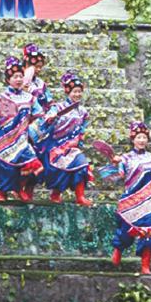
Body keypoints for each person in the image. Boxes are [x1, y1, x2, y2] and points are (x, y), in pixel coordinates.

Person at [110, 122, 151, 275]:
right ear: (133, 139)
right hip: (131, 200)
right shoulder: (125, 158)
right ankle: (118, 250)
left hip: (150, 202)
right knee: (126, 229)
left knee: (150, 231)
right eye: (138, 137)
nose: (141, 140)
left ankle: (145, 266)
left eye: (144, 137)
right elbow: (117, 177)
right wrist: (115, 163)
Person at [0, 57, 45, 202]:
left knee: (34, 164)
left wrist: (39, 124)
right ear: (8, 80)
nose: (18, 80)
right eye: (15, 77)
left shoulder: (29, 98)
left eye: (20, 76)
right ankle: (2, 192)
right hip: (5, 137)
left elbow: (39, 114)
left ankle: (20, 187)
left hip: (22, 137)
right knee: (3, 166)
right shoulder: (1, 97)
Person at [38, 71, 94, 206]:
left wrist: (78, 139)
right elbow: (44, 124)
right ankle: (56, 193)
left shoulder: (83, 112)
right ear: (68, 92)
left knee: (82, 164)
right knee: (59, 166)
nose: (77, 94)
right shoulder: (58, 108)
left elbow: (82, 128)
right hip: (55, 144)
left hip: (71, 145)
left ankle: (80, 196)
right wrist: (50, 119)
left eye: (79, 92)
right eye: (75, 91)